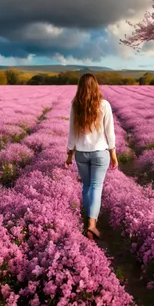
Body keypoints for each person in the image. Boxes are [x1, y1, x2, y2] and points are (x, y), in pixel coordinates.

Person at [64, 73, 118, 239]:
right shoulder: (104, 105)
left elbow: (72, 132)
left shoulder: (75, 105)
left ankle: (89, 217)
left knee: (86, 186)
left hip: (81, 153)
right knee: (96, 187)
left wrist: (69, 154)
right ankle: (92, 224)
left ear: (80, 87)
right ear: (96, 86)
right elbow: (110, 132)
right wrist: (113, 153)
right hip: (100, 153)